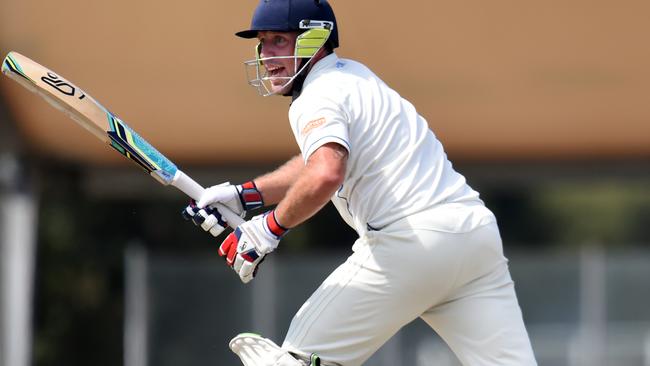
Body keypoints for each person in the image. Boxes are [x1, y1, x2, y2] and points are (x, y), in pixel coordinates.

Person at [182, 0, 537, 365]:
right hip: (473, 236)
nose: (267, 54)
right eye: (262, 42)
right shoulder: (354, 75)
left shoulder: (316, 96)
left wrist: (268, 229)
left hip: (410, 242)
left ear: (313, 39)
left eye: (278, 40)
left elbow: (325, 173)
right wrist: (246, 195)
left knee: (295, 360)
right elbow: (318, 162)